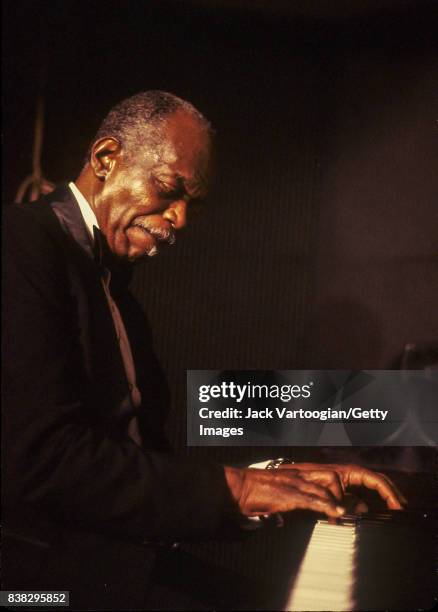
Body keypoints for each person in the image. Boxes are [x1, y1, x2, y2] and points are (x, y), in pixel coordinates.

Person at [2, 91, 406, 610]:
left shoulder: (115, 291)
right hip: (37, 586)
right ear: (106, 159)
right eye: (171, 189)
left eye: (193, 205)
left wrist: (269, 477)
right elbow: (41, 461)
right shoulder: (19, 243)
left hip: (111, 565)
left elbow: (133, 468)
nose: (181, 220)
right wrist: (235, 490)